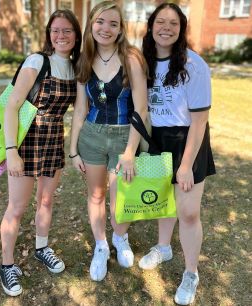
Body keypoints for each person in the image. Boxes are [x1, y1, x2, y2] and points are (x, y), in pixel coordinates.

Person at [0, 10, 81, 296]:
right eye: (55, 30)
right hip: (26, 140)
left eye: (67, 30)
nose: (61, 36)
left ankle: (41, 247)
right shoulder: (37, 61)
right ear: (48, 33)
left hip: (54, 139)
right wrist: (11, 151)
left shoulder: (75, 66)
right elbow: (12, 105)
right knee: (17, 207)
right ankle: (7, 265)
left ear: (76, 34)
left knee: (46, 200)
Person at [139, 3, 216, 305]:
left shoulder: (194, 65)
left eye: (173, 23)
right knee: (163, 201)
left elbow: (200, 121)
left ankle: (191, 272)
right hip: (156, 138)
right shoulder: (143, 61)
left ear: (182, 29)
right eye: (161, 21)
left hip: (188, 139)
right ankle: (164, 247)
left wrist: (185, 165)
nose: (166, 28)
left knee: (188, 211)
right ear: (151, 25)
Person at [70, 1, 147, 282]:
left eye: (113, 24)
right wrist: (73, 149)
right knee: (96, 195)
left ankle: (120, 237)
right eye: (100, 22)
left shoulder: (132, 58)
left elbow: (141, 109)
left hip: (123, 137)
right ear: (91, 25)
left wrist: (129, 152)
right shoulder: (84, 59)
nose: (106, 28)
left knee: (120, 197)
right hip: (91, 136)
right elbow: (80, 109)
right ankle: (101, 245)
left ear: (120, 29)